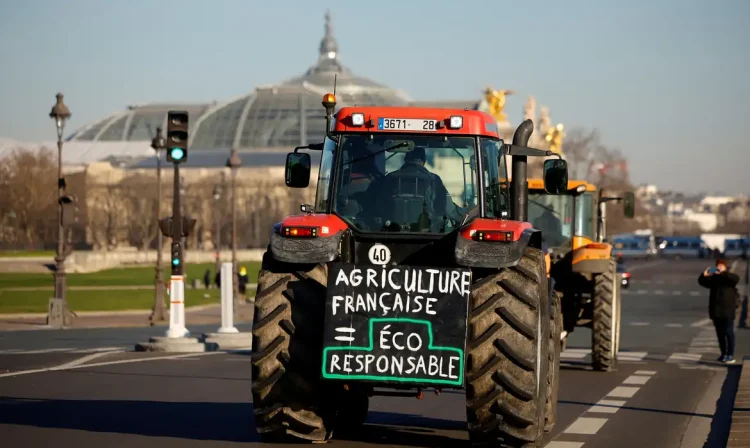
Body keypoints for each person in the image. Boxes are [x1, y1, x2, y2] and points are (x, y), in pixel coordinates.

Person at [366, 147, 464, 229]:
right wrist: (463, 216)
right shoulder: (433, 179)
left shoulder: (389, 178)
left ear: (405, 160)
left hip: (390, 232)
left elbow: (376, 207)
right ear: (423, 162)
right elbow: (447, 208)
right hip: (427, 234)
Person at [698, 259, 741, 363]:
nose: (719, 267)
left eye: (722, 266)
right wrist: (705, 274)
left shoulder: (729, 278)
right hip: (716, 311)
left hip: (728, 310)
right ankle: (723, 354)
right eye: (718, 266)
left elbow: (736, 279)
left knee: (728, 332)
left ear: (726, 267)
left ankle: (730, 354)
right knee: (720, 334)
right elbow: (702, 282)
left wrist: (723, 273)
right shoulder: (714, 279)